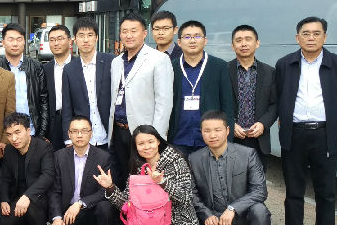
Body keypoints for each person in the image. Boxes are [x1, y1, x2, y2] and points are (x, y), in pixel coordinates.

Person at [275, 16, 337, 225]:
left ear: (325, 37)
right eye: (306, 33)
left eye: (316, 33)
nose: (311, 38)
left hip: (324, 133)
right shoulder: (285, 64)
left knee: (326, 192)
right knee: (293, 190)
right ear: (297, 38)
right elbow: (279, 95)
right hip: (294, 133)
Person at [95, 124, 200, 225]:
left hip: (178, 223)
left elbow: (185, 198)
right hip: (152, 221)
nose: (146, 147)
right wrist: (110, 187)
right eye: (141, 143)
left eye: (150, 141)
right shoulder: (138, 167)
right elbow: (127, 204)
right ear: (135, 147)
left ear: (158, 141)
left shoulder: (176, 161)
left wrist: (162, 182)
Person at [189, 111, 271, 225]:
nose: (212, 135)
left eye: (217, 130)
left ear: (227, 131)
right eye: (207, 131)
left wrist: (233, 209)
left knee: (260, 210)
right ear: (201, 132)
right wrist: (206, 214)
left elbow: (260, 191)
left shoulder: (247, 154)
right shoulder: (194, 159)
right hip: (215, 217)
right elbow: (192, 193)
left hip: (243, 216)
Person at [107, 13, 174, 190]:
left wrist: (156, 138)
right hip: (118, 131)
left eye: (133, 31)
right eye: (124, 31)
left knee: (144, 183)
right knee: (120, 179)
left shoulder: (159, 59)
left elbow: (164, 103)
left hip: (144, 134)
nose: (128, 35)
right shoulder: (116, 62)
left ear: (144, 33)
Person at [48, 116, 115, 225]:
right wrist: (57, 217)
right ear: (69, 134)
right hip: (69, 212)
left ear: (91, 133)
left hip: (91, 208)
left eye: (84, 131)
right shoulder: (59, 156)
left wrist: (80, 203)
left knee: (106, 207)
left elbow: (103, 192)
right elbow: (54, 190)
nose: (79, 135)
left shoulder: (103, 157)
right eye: (75, 131)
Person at [167, 20, 235, 157]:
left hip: (211, 140)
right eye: (187, 37)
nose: (192, 40)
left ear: (205, 40)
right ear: (179, 42)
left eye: (197, 36)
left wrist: (228, 140)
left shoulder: (219, 66)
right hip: (178, 139)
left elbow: (227, 105)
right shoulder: (170, 67)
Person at [0, 113, 56, 225]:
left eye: (17, 132)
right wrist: (4, 199)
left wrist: (27, 196)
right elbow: (4, 178)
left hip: (41, 196)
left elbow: (48, 175)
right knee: (4, 223)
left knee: (32, 205)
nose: (14, 138)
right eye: (9, 134)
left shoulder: (44, 147)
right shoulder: (9, 150)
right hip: (18, 196)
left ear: (28, 130)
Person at [228, 25, 277, 170]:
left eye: (248, 39)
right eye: (238, 40)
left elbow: (275, 104)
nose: (243, 44)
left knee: (258, 182)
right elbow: (217, 103)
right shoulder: (223, 71)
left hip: (259, 139)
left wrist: (263, 124)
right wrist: (230, 124)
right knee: (230, 182)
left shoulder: (269, 72)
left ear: (257, 43)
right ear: (233, 46)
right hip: (231, 139)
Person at [62, 18, 113, 150]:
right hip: (82, 138)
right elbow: (67, 107)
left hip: (109, 136)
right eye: (81, 35)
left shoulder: (111, 62)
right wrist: (68, 138)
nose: (86, 40)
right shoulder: (69, 69)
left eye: (90, 35)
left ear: (96, 38)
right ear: (74, 39)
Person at [0, 23, 48, 139]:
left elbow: (44, 101)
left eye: (19, 39)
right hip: (5, 135)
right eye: (11, 39)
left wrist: (42, 133)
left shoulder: (36, 67)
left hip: (32, 132)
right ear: (3, 42)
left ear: (24, 41)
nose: (15, 43)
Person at [42, 24, 73, 151]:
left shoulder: (79, 65)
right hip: (53, 123)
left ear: (70, 41)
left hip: (75, 122)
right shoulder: (45, 69)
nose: (56, 43)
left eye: (60, 39)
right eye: (52, 40)